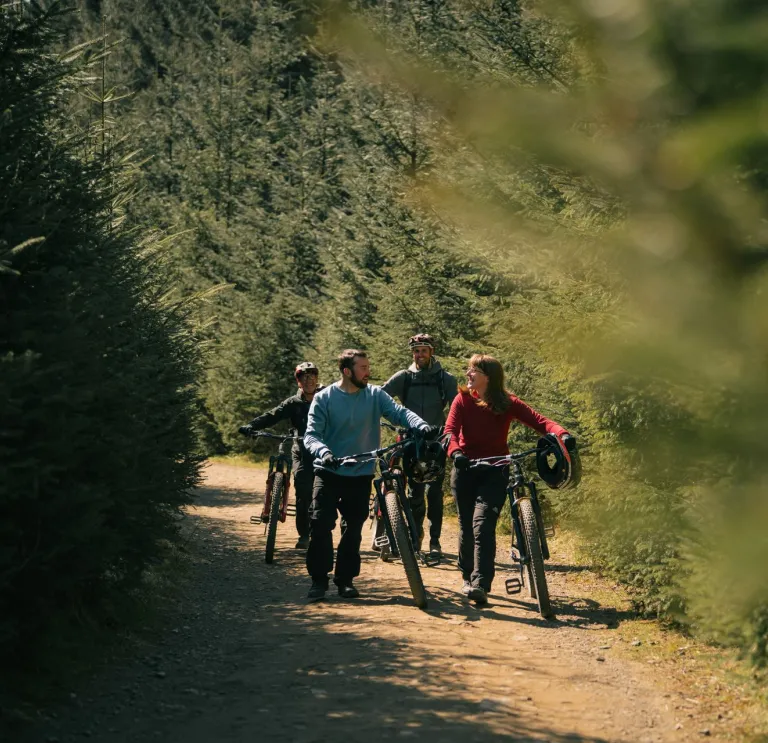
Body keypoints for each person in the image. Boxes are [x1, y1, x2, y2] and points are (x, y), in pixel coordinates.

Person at [303, 349, 437, 602]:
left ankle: (345, 581)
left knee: (353, 529)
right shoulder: (324, 398)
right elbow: (311, 435)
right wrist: (324, 452)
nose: (368, 372)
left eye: (368, 367)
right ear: (347, 371)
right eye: (363, 368)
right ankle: (319, 580)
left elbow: (400, 413)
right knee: (321, 525)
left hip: (361, 473)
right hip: (329, 471)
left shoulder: (375, 395)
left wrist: (421, 425)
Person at [444, 354, 574, 606]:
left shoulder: (507, 403)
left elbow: (541, 422)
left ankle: (480, 583)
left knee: (482, 524)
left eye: (474, 371)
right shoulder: (462, 400)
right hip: (465, 469)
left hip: (496, 470)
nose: (468, 374)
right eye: (468, 370)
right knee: (466, 526)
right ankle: (467, 577)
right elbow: (449, 431)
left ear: (488, 378)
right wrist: (456, 452)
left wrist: (563, 435)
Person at [381, 333, 458, 556]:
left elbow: (456, 408)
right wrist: (394, 420)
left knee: (434, 492)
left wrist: (452, 433)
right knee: (414, 492)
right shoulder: (403, 377)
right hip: (411, 440)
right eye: (416, 351)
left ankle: (435, 541)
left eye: (424, 350)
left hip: (436, 442)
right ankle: (416, 538)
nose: (419, 354)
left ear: (431, 352)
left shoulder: (446, 379)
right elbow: (380, 397)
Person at [239, 362, 322, 550]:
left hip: (324, 451)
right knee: (303, 492)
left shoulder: (327, 397)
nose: (309, 380)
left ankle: (321, 532)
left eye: (312, 376)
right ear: (299, 382)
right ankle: (304, 535)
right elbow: (272, 415)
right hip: (301, 451)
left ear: (317, 379)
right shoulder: (293, 403)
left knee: (324, 494)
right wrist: (252, 426)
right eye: (304, 377)